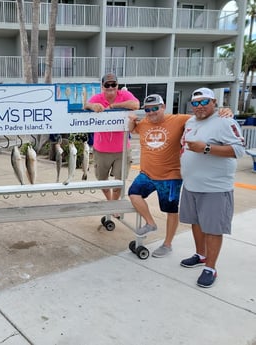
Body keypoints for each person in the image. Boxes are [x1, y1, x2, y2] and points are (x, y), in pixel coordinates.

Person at [127, 94, 235, 258]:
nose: (151, 112)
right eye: (148, 109)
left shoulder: (179, 120)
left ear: (163, 107)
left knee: (170, 210)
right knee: (133, 194)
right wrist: (131, 121)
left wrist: (224, 111)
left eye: (155, 108)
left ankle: (167, 244)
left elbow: (203, 116)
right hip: (147, 174)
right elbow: (132, 129)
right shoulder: (143, 123)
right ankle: (150, 223)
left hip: (170, 177)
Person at [179, 87, 245, 288]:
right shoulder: (190, 122)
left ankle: (211, 267)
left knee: (213, 229)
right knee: (196, 222)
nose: (199, 107)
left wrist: (206, 148)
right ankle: (200, 255)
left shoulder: (225, 121)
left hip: (215, 188)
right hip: (191, 185)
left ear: (214, 102)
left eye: (204, 102)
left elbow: (238, 150)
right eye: (195, 103)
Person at [84, 73, 140, 212]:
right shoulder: (97, 97)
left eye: (113, 84)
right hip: (101, 149)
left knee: (119, 183)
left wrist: (114, 106)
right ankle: (111, 205)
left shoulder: (125, 95)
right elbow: (86, 105)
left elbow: (136, 104)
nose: (110, 87)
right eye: (107, 85)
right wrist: (92, 106)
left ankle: (112, 207)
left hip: (121, 150)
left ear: (117, 86)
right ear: (102, 86)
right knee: (102, 181)